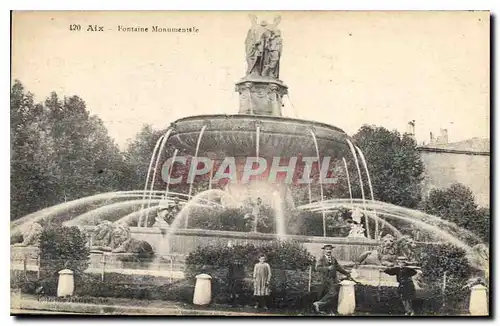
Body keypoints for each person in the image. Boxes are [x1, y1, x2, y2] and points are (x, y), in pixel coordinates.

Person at [313, 244, 352, 315]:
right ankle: (320, 305)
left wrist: (347, 273)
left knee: (333, 293)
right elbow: (317, 268)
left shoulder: (333, 259)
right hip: (324, 279)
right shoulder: (321, 259)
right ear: (324, 250)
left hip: (333, 279)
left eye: (330, 249)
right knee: (332, 293)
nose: (329, 251)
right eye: (327, 249)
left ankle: (323, 307)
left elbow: (339, 268)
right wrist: (327, 268)